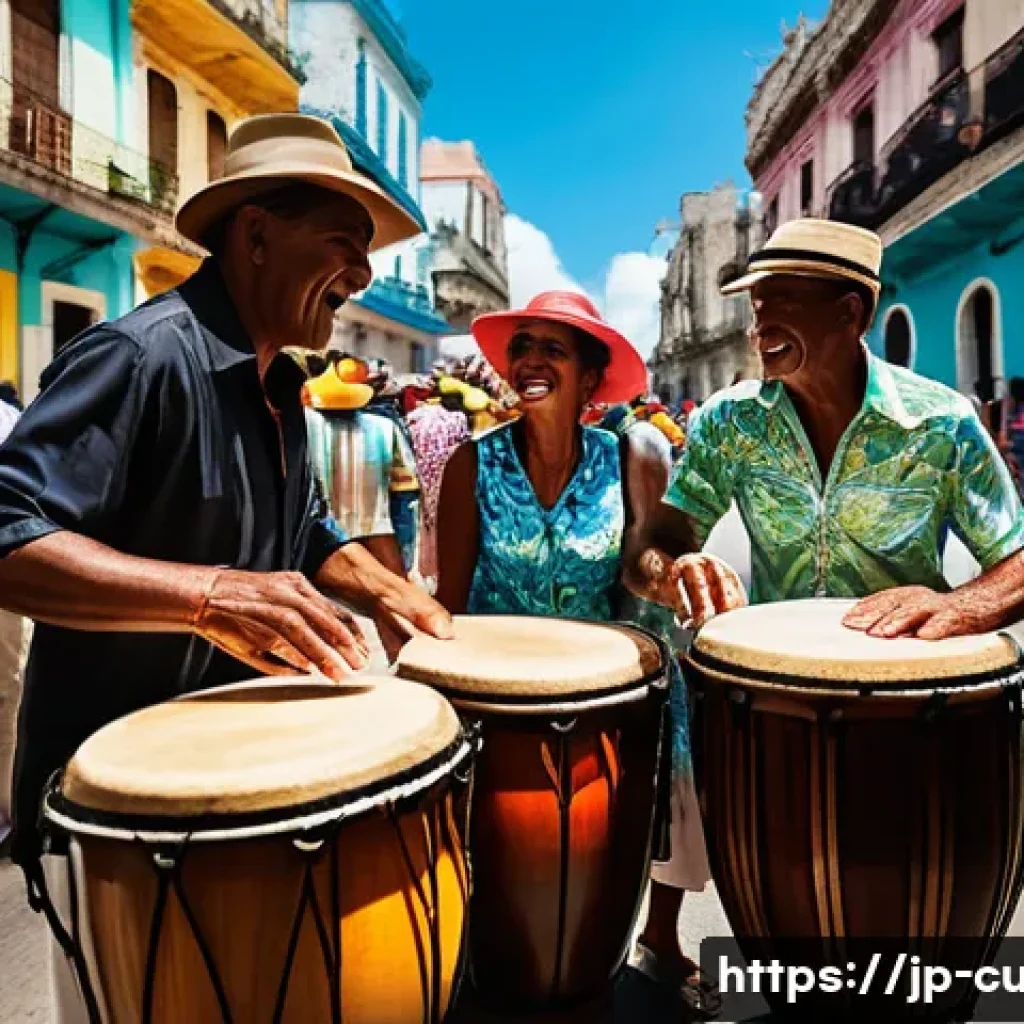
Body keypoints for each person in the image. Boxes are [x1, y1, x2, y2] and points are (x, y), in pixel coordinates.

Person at [0, 114, 453, 1020]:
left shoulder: (283, 386)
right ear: (255, 237)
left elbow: (304, 529)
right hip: (115, 817)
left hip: (237, 800)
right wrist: (206, 595)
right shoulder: (138, 356)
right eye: (342, 244)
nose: (363, 275)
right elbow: (8, 532)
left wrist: (392, 589)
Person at [435, 290, 724, 1018]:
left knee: (675, 753)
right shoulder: (471, 466)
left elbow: (646, 562)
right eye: (522, 347)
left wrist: (675, 573)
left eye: (552, 349)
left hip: (611, 687)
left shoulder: (634, 455)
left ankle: (660, 939)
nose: (530, 362)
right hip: (503, 695)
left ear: (591, 376)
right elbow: (452, 597)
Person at [629, 216, 1024, 649]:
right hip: (776, 689)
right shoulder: (730, 421)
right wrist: (673, 575)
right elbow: (650, 549)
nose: (758, 330)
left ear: (849, 313)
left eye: (782, 302)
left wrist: (960, 606)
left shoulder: (942, 422)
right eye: (757, 309)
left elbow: (1017, 560)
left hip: (906, 689)